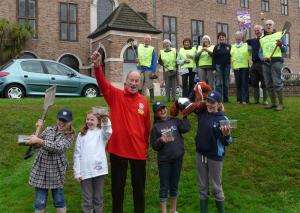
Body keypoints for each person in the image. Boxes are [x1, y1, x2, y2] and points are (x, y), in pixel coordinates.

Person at [91, 51, 151, 213]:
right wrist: (97, 67)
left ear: (140, 84)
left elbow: (147, 127)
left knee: (139, 189)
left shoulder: (144, 101)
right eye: (131, 80)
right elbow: (103, 84)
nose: (133, 83)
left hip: (138, 152)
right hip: (118, 150)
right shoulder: (115, 95)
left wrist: (145, 147)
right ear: (126, 81)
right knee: (118, 189)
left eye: (136, 81)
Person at [26, 109, 76, 213]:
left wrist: (39, 140)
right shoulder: (49, 130)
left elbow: (58, 148)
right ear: (57, 119)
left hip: (56, 171)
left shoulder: (69, 135)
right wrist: (37, 130)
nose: (61, 123)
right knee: (39, 202)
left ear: (70, 122)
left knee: (59, 200)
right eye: (60, 120)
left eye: (65, 121)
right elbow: (35, 145)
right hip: (41, 169)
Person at [194, 91, 233, 213]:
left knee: (216, 187)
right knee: (202, 187)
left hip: (215, 157)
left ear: (219, 104)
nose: (210, 105)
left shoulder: (223, 118)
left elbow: (228, 142)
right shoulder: (202, 114)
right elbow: (193, 101)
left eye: (213, 102)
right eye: (208, 101)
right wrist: (198, 88)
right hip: (200, 154)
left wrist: (226, 135)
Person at [150, 101, 191, 213]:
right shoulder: (156, 127)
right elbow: (154, 146)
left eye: (163, 108)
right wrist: (161, 140)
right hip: (164, 161)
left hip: (177, 158)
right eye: (159, 109)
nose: (163, 110)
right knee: (164, 186)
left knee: (174, 185)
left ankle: (173, 210)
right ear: (156, 113)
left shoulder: (174, 120)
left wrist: (185, 114)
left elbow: (186, 128)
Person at [73, 110, 112, 213]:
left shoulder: (101, 133)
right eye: (87, 119)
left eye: (92, 119)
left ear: (98, 122)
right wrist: (77, 172)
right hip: (85, 172)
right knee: (87, 199)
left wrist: (106, 120)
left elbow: (108, 131)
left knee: (98, 198)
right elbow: (77, 154)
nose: (89, 121)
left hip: (99, 171)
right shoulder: (81, 135)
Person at [259, 19, 287, 111]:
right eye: (266, 25)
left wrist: (280, 45)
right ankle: (273, 103)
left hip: (276, 62)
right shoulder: (262, 39)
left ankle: (281, 104)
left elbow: (285, 49)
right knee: (268, 84)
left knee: (277, 83)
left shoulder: (280, 35)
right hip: (266, 63)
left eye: (270, 24)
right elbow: (260, 52)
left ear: (273, 26)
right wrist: (262, 57)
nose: (268, 26)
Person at [247, 25, 268, 105]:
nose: (256, 32)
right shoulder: (252, 41)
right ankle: (256, 99)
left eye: (258, 30)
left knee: (264, 82)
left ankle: (265, 100)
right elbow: (244, 40)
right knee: (254, 82)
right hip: (254, 64)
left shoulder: (265, 38)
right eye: (255, 30)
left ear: (262, 30)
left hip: (263, 63)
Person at [137, 34, 158, 102]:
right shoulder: (139, 47)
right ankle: (139, 98)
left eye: (148, 39)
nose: (147, 40)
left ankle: (152, 99)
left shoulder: (152, 49)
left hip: (148, 69)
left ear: (150, 41)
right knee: (140, 83)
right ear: (144, 39)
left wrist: (153, 70)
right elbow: (137, 56)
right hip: (140, 68)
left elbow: (154, 60)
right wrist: (136, 59)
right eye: (146, 38)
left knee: (150, 84)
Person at [230, 31, 250, 104]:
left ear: (242, 37)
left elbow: (250, 51)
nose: (238, 38)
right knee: (238, 83)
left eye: (239, 36)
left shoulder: (246, 45)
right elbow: (231, 56)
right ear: (235, 37)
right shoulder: (232, 46)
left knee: (244, 83)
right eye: (237, 36)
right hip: (236, 67)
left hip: (244, 66)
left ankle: (245, 99)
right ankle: (239, 99)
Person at [212, 32, 231, 102]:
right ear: (218, 38)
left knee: (226, 83)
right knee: (218, 83)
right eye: (220, 37)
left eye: (223, 36)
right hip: (218, 67)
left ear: (225, 38)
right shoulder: (216, 47)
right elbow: (213, 58)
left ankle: (226, 99)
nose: (222, 38)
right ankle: (219, 99)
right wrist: (213, 68)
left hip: (227, 67)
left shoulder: (229, 46)